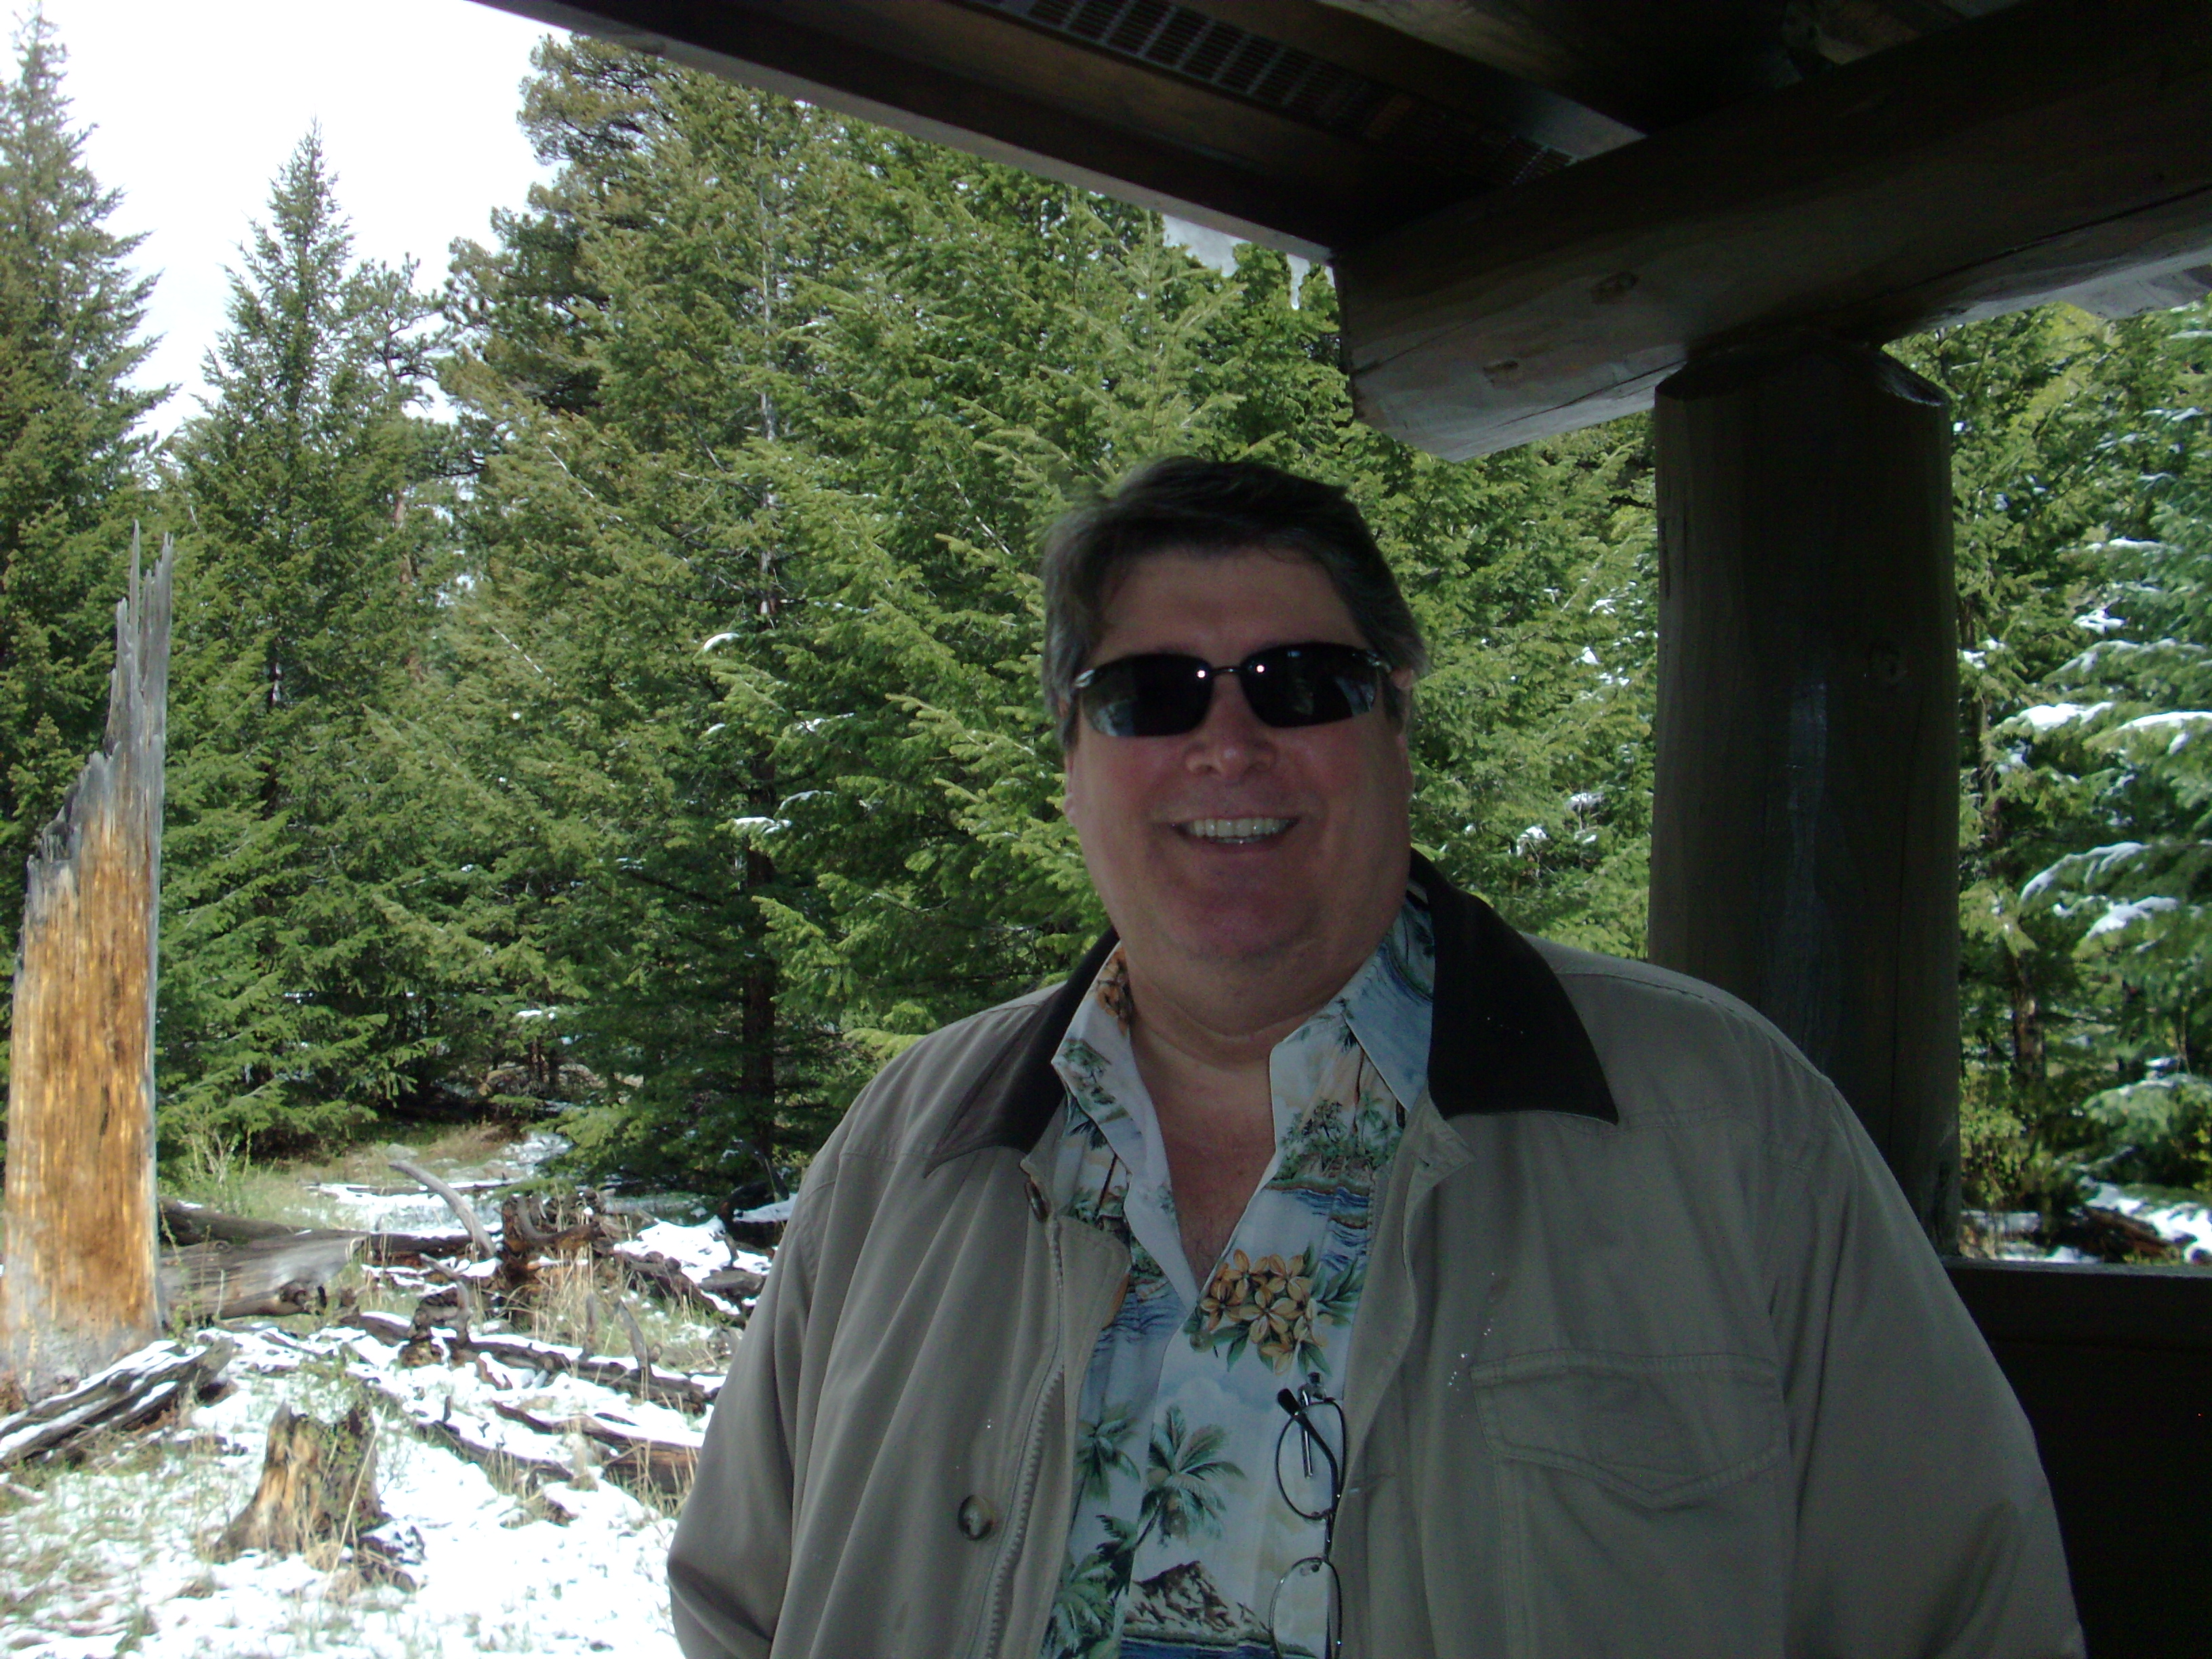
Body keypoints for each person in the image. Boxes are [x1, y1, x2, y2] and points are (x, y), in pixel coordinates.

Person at [668, 457, 2081, 1659]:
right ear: (1072, 756)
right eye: (1153, 694)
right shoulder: (908, 1145)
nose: (1229, 743)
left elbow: (1969, 1615)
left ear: (1398, 724)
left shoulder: (1725, 1125)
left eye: (1302, 684)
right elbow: (740, 1607)